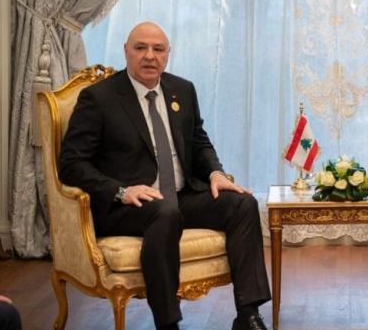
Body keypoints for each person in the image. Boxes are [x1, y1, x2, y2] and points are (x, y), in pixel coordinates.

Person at [59, 22, 271, 330]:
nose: (150, 56)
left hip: (180, 196)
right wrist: (121, 191)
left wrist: (215, 172)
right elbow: (72, 164)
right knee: (165, 213)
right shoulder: (99, 98)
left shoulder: (182, 89)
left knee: (243, 204)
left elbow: (199, 142)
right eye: (141, 48)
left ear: (167, 54)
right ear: (126, 51)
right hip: (127, 205)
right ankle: (168, 323)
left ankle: (248, 315)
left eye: (158, 49)